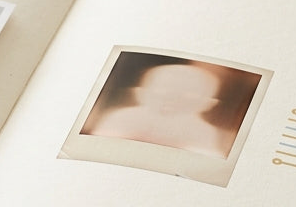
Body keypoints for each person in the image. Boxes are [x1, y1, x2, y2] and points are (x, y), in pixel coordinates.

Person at [86, 61, 235, 157]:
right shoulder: (125, 117)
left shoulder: (202, 131)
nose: (172, 99)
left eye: (188, 95)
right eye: (161, 92)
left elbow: (208, 156)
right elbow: (102, 144)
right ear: (140, 94)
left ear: (207, 104)